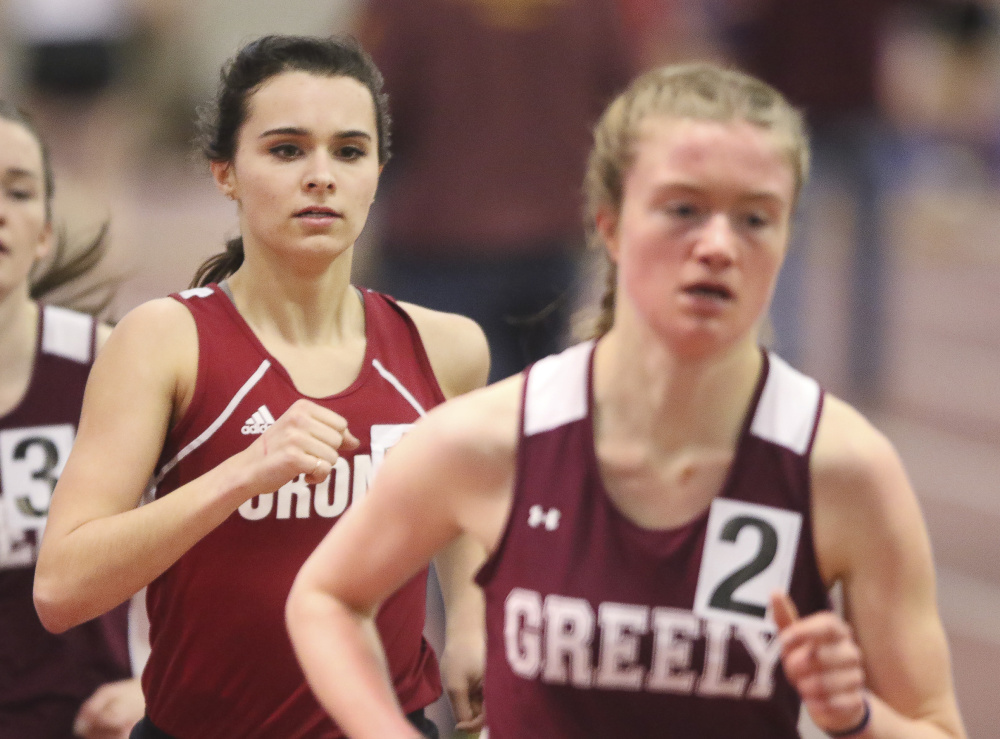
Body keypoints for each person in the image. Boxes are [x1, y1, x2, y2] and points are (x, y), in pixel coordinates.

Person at [286, 63, 968, 738]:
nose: (718, 246)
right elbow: (327, 599)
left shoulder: (840, 468)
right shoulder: (496, 440)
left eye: (756, 217)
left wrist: (858, 717)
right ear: (610, 225)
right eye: (682, 208)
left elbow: (938, 726)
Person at [33, 35, 489, 739]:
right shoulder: (165, 340)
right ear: (225, 173)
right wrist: (243, 473)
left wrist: (468, 618)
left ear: (377, 170)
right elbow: (62, 589)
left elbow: (464, 504)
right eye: (286, 150)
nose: (321, 176)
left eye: (348, 150)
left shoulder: (445, 347)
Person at [355, 0, 632, 384]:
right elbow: (627, 104)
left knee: (447, 410)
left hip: (440, 245)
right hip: (552, 240)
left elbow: (366, 107)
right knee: (539, 409)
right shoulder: (591, 11)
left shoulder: (412, 10)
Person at [0, 101, 144, 738]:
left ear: (45, 235)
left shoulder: (110, 360)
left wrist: (156, 679)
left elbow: (220, 543)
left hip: (85, 722)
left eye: (19, 190)